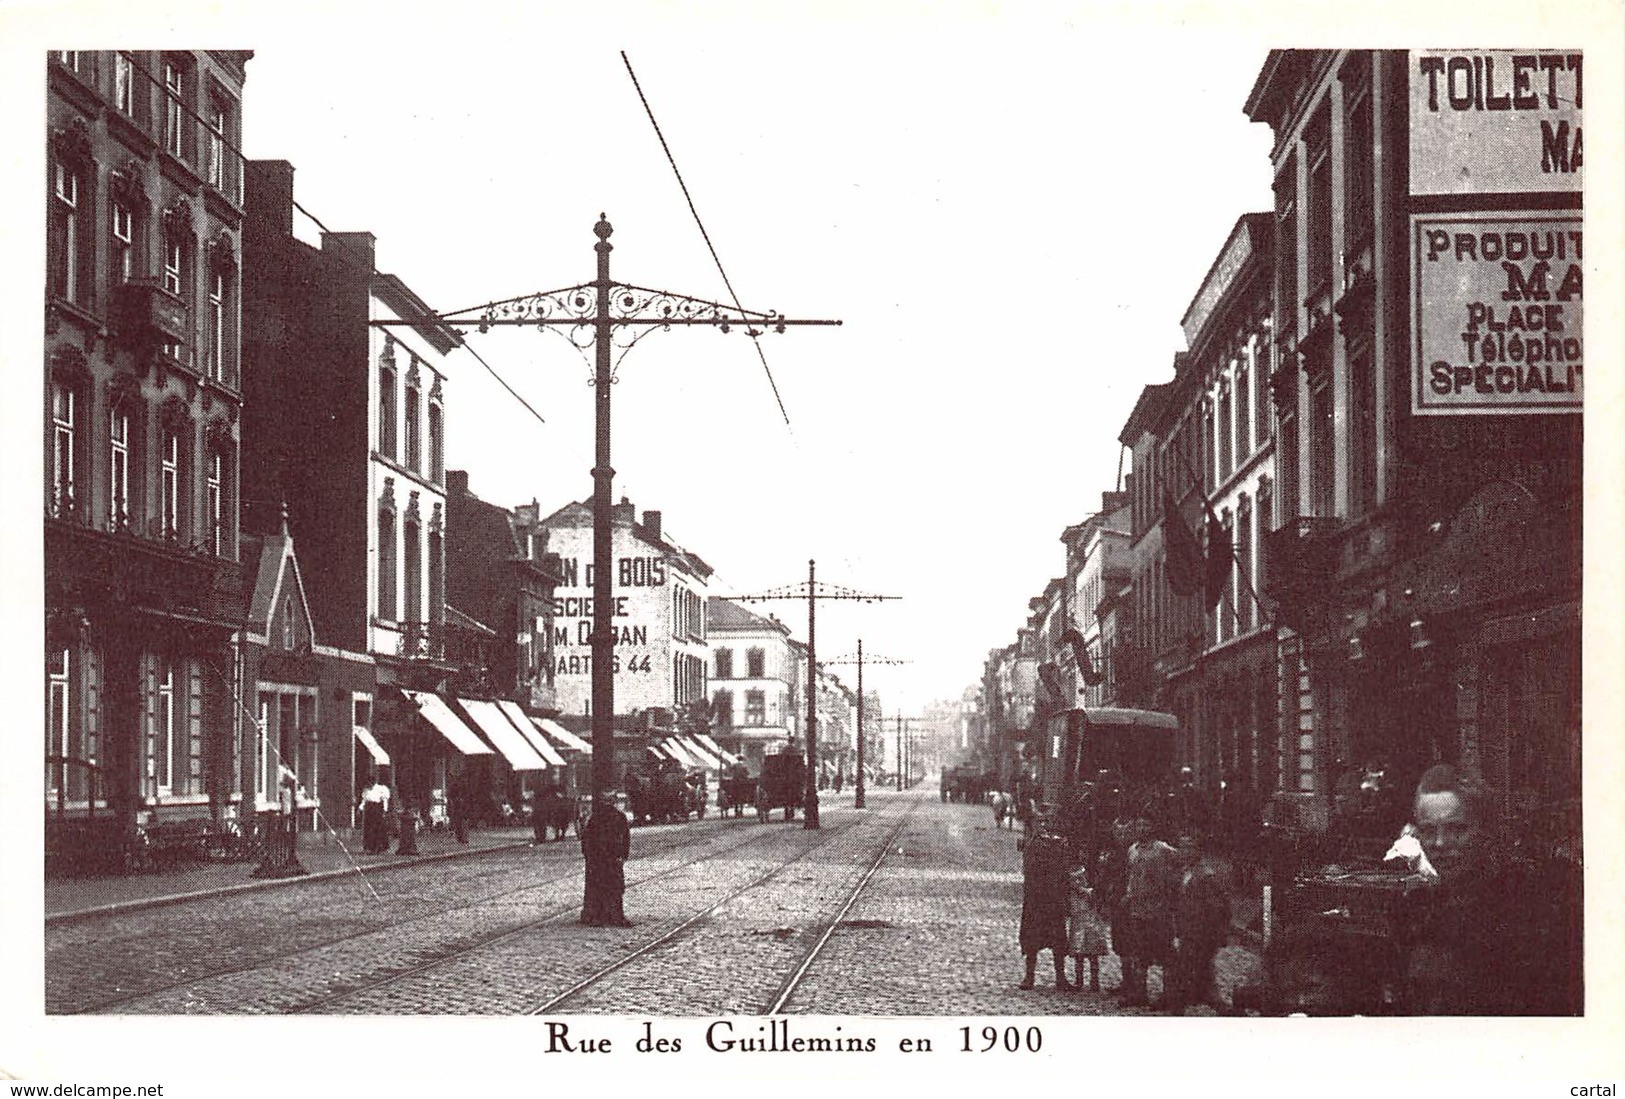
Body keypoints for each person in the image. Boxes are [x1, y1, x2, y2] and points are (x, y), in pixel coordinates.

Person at [1403, 763, 1580, 1015]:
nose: (1440, 843)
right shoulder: (1433, 903)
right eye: (1429, 830)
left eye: (1457, 829)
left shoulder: (1520, 907)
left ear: (1484, 832)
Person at [1117, 812, 1180, 1007]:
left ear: (1153, 828)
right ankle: (1139, 993)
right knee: (1139, 952)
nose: (1142, 829)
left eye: (1146, 825)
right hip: (1137, 910)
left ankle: (1168, 995)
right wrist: (1128, 895)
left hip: (1159, 910)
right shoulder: (1132, 850)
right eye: (1139, 825)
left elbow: (1181, 863)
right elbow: (1131, 876)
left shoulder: (1162, 849)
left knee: (1164, 954)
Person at [1165, 828, 1231, 1014]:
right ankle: (1190, 1000)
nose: (1186, 851)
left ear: (1198, 850)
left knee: (1198, 967)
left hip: (1201, 931)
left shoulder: (1206, 875)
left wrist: (1215, 933)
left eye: (1190, 847)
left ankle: (1205, 1002)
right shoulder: (1182, 873)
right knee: (1191, 967)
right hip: (1186, 929)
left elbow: (1218, 908)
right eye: (1182, 847)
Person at [1017, 822, 1071, 990]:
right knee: (1032, 939)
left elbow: (1063, 871)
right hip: (1036, 898)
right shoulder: (1033, 845)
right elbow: (1028, 870)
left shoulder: (1060, 845)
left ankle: (1060, 977)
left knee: (1058, 939)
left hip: (1053, 899)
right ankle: (1029, 976)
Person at [579, 796, 633, 927]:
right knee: (612, 887)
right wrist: (623, 855)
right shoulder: (615, 817)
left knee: (609, 887)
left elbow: (586, 839)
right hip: (606, 858)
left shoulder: (600, 818)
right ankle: (608, 914)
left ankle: (606, 914)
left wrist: (588, 856)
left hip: (605, 858)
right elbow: (625, 838)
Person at [1066, 863, 1111, 993]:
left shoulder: (1091, 890)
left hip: (1091, 920)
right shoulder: (1072, 889)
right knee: (1079, 954)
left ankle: (1094, 981)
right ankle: (1079, 980)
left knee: (1093, 953)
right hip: (1079, 919)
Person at [359, 774, 391, 854]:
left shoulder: (380, 789)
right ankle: (370, 847)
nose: (369, 785)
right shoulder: (366, 790)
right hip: (369, 809)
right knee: (369, 828)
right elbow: (364, 800)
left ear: (373, 782)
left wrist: (384, 810)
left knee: (378, 828)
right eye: (368, 783)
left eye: (370, 783)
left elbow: (384, 800)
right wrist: (360, 808)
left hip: (377, 809)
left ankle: (379, 847)